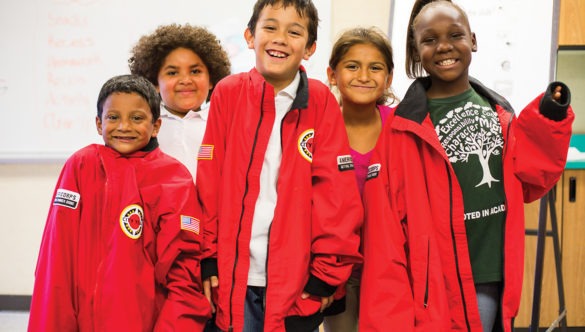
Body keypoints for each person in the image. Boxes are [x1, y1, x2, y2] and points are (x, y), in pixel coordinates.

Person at [359, 1, 574, 331]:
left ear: (473, 40)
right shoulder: (402, 130)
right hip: (434, 288)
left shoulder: (499, 113)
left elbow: (529, 179)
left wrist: (550, 117)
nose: (444, 46)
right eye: (429, 40)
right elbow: (385, 233)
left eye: (455, 35)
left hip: (489, 276)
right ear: (416, 52)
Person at [195, 0, 363, 331]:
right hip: (232, 277)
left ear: (310, 48)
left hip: (296, 282)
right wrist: (208, 256)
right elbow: (208, 182)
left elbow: (336, 195)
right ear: (249, 36)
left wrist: (326, 274)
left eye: (294, 31)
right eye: (270, 27)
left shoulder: (320, 100)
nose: (280, 39)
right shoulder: (228, 93)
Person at [28, 74, 211, 331]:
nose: (124, 126)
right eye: (113, 117)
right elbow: (55, 260)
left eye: (136, 118)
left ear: (156, 125)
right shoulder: (81, 166)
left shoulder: (173, 179)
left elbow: (184, 276)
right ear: (98, 123)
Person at [322, 26, 396, 332]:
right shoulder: (320, 130)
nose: (363, 76)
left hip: (391, 267)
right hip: (337, 270)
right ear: (332, 74)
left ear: (388, 78)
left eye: (375, 68)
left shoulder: (401, 127)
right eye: (352, 66)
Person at [129, 24, 231, 182]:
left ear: (211, 80)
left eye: (195, 71)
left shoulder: (224, 124)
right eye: (172, 73)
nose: (185, 80)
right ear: (154, 83)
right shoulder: (145, 126)